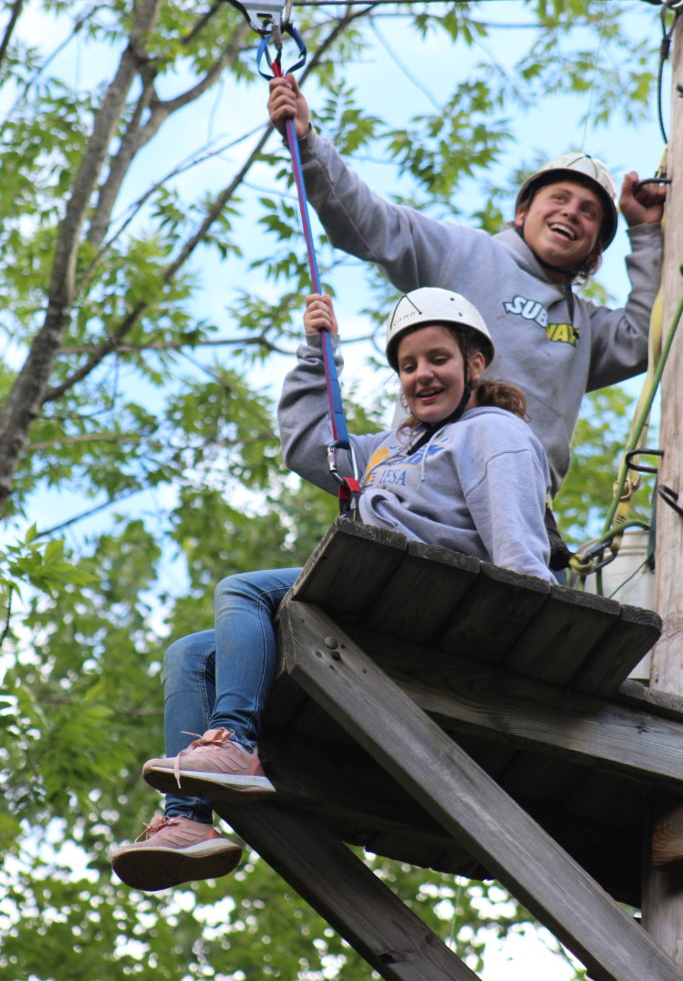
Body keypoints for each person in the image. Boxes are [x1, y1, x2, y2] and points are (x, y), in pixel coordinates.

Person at [109, 286, 555, 892]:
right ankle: (188, 821)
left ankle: (234, 740)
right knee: (189, 655)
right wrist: (319, 354)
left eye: (438, 359)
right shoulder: (390, 448)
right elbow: (307, 444)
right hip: (377, 591)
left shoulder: (491, 432)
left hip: (431, 592)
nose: (422, 375)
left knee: (246, 590)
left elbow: (515, 537)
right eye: (408, 365)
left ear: (475, 364)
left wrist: (530, 622)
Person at [267, 76, 666, 496]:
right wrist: (308, 145)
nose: (571, 213)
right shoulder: (463, 253)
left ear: (593, 252)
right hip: (427, 479)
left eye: (589, 212)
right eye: (559, 198)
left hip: (517, 498)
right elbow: (370, 221)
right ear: (522, 212)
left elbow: (646, 337)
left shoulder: (584, 326)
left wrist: (646, 233)